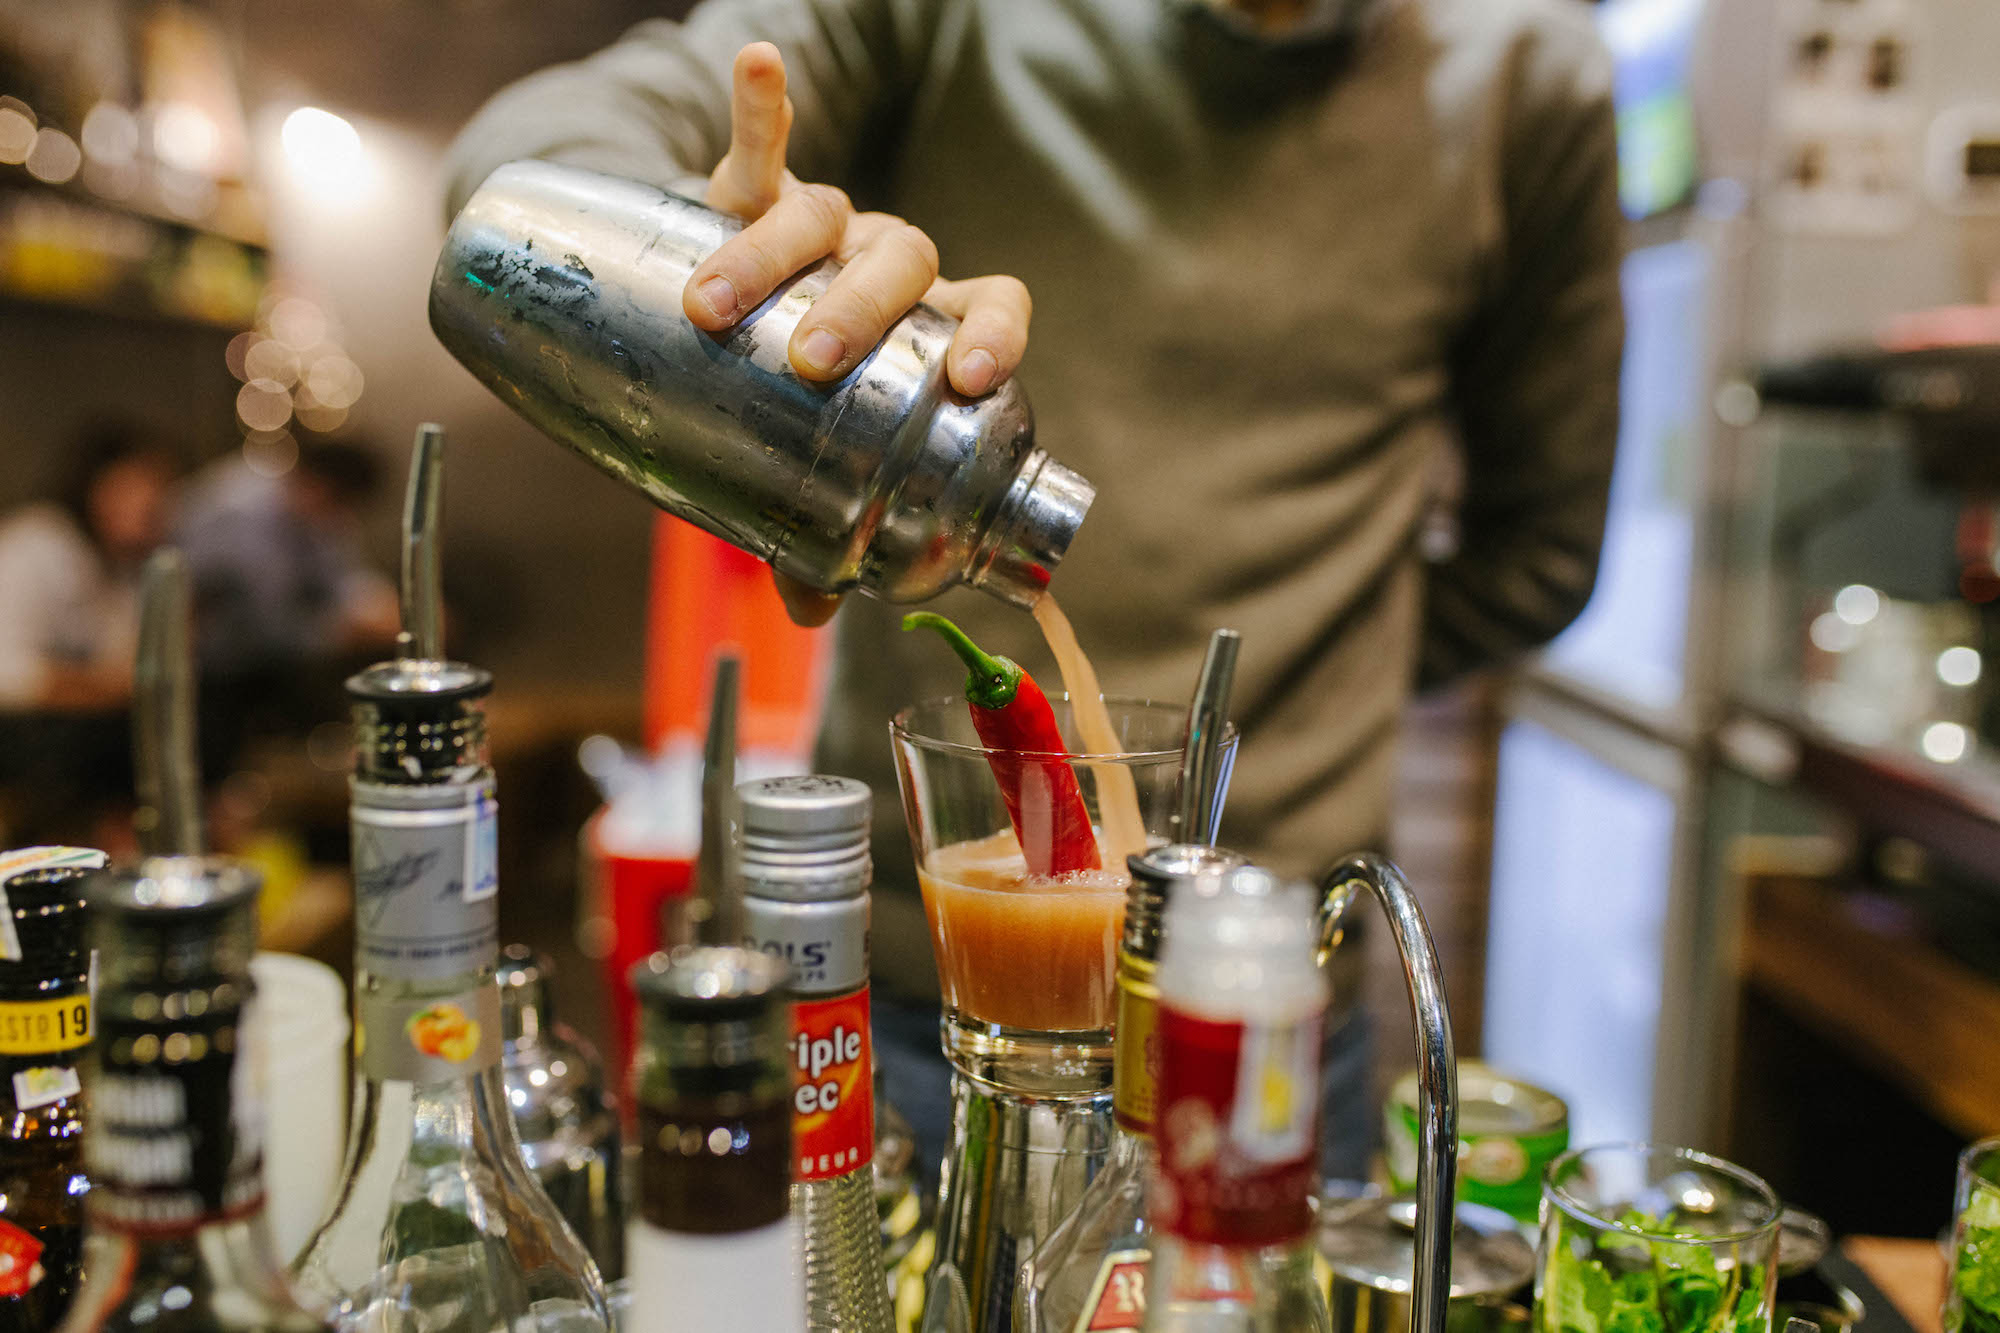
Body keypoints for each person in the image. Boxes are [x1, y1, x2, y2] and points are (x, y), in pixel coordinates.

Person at [446, 0, 1625, 1178]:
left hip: (1253, 999)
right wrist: (701, 266)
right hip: (905, 994)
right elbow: (515, 163)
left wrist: (1311, 680)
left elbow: (1539, 556)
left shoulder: (1524, 79)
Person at [0, 421, 179, 711]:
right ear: (94, 484)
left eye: (162, 487)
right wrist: (101, 687)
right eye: (135, 485)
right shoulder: (37, 543)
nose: (153, 502)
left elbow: (128, 666)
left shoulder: (124, 567)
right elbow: (7, 673)